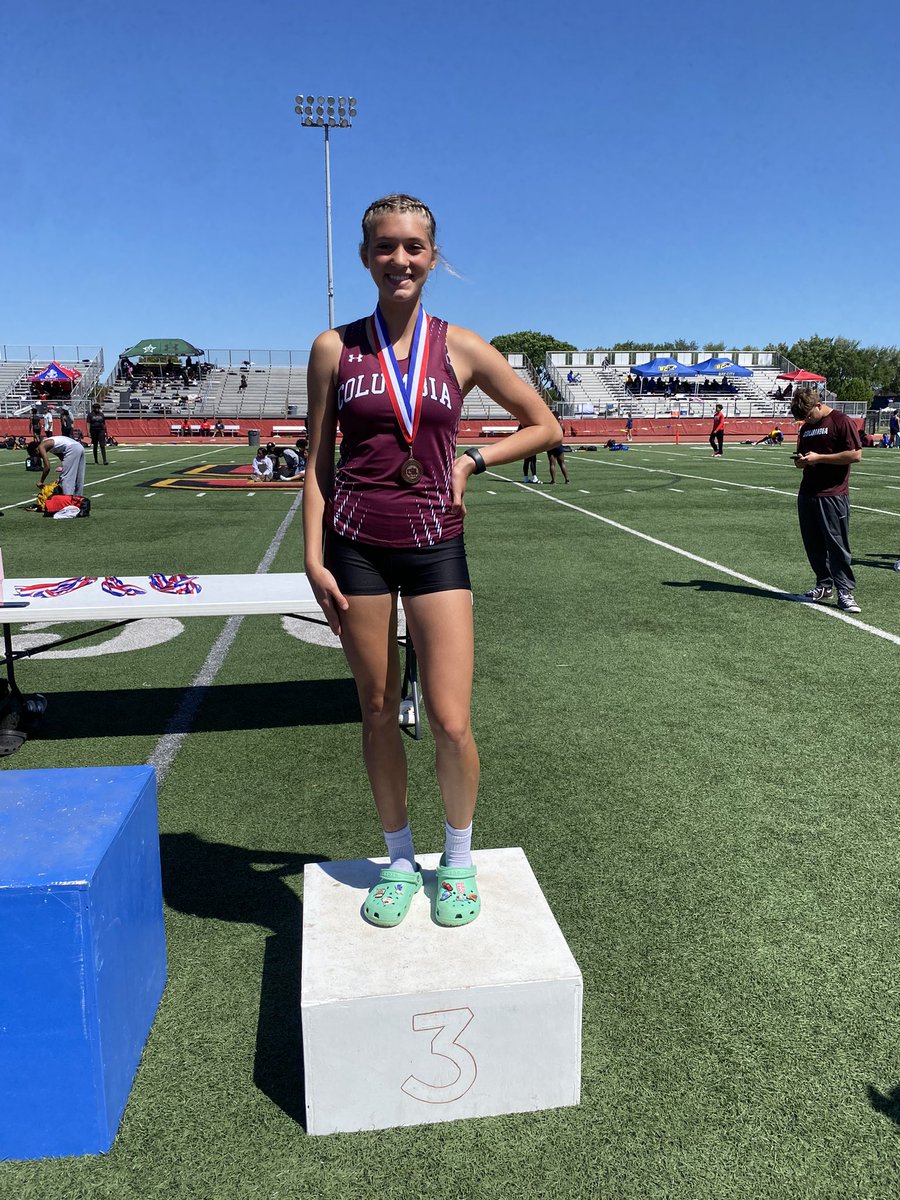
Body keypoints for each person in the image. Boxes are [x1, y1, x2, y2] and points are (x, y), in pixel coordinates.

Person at [303, 193, 559, 929]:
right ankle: (397, 860)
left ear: (433, 256)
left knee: (449, 719)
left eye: (414, 247)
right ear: (366, 257)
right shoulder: (335, 347)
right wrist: (313, 558)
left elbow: (543, 425)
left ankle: (456, 857)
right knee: (378, 711)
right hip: (355, 545)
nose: (401, 260)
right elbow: (317, 463)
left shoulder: (464, 346)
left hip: (435, 543)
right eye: (386, 247)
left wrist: (474, 459)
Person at [792, 387, 862, 613]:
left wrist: (820, 458)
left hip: (832, 494)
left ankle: (845, 591)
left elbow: (855, 455)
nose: (807, 420)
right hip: (808, 492)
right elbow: (802, 455)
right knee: (813, 544)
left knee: (837, 545)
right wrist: (801, 461)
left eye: (809, 415)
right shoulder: (807, 427)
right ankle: (823, 584)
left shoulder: (841, 421)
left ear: (819, 405)